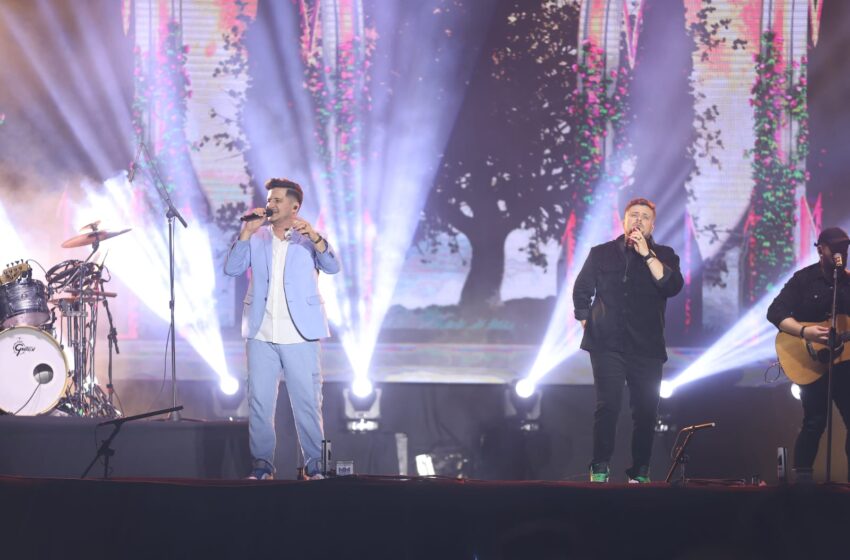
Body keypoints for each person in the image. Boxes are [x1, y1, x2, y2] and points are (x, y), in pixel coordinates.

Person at [224, 177, 340, 480]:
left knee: (307, 404)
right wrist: (246, 233)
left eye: (277, 200)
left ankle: (316, 466)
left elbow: (332, 267)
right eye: (269, 199)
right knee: (260, 403)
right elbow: (232, 269)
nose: (270, 204)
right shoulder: (257, 236)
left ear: (294, 206)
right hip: (261, 332)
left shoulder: (308, 238)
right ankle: (262, 466)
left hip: (299, 334)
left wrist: (315, 237)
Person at [573, 197, 684, 483]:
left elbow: (671, 285)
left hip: (646, 346)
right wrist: (587, 320)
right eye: (633, 215)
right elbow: (582, 289)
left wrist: (647, 255)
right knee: (607, 406)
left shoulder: (665, 255)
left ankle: (641, 471)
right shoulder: (601, 253)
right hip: (606, 344)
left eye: (644, 217)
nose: (638, 220)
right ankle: (599, 468)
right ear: (623, 221)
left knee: (646, 411)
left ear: (652, 224)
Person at [767, 226, 850, 482]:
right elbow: (775, 312)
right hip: (811, 363)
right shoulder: (803, 280)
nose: (840, 253)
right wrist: (805, 332)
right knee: (814, 422)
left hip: (845, 366)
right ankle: (803, 486)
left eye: (844, 249)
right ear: (820, 249)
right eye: (834, 248)